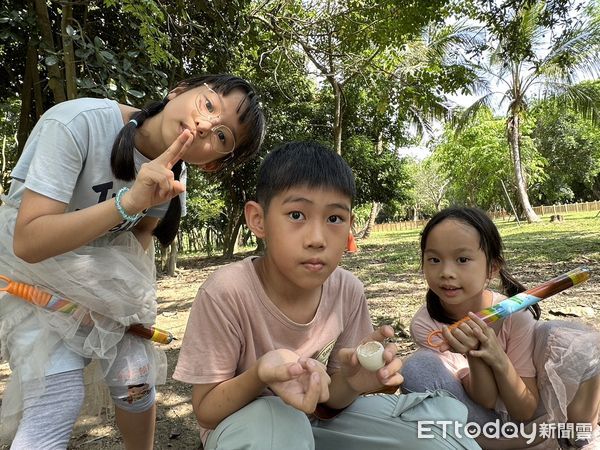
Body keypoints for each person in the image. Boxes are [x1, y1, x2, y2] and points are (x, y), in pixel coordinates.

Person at [0, 74, 265, 449]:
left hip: (102, 289)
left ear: (215, 164)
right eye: (208, 105)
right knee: (57, 400)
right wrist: (127, 201)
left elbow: (136, 242)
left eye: (222, 137)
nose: (206, 125)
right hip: (29, 282)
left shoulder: (175, 170)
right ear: (178, 90)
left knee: (137, 384)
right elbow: (27, 240)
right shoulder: (77, 123)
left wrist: (108, 303)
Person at [173, 141, 480, 450]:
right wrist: (260, 375)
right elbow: (207, 411)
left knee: (439, 425)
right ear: (258, 219)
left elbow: (330, 403)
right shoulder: (226, 291)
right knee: (278, 421)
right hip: (246, 428)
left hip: (313, 422)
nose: (318, 239)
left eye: (334, 219)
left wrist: (353, 383)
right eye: (296, 214)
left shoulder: (347, 289)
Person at [401, 206, 600, 449]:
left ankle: (578, 436)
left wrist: (496, 356)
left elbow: (524, 409)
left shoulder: (516, 316)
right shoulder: (426, 324)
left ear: (493, 268)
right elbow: (484, 399)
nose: (446, 272)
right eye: (434, 259)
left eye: (462, 259)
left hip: (532, 414)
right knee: (417, 367)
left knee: (565, 336)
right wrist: (475, 353)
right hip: (481, 420)